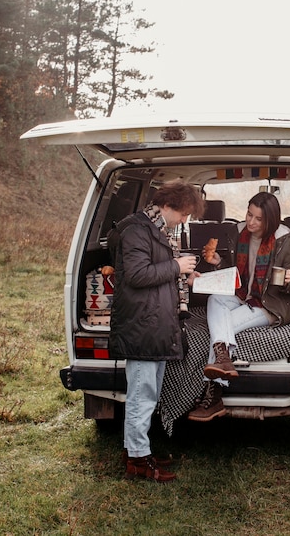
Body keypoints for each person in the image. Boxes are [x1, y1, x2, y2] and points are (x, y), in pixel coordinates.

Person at [109, 180, 204, 482]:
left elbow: (157, 270)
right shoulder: (138, 229)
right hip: (142, 325)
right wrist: (176, 267)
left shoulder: (156, 228)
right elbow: (137, 275)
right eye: (185, 214)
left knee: (146, 394)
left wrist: (183, 274)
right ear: (168, 205)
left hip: (153, 324)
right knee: (142, 396)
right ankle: (138, 461)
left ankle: (136, 451)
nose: (185, 220)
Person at [188, 191, 290, 422]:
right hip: (243, 295)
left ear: (270, 220)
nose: (251, 222)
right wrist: (218, 263)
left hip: (269, 303)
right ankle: (223, 359)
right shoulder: (239, 233)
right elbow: (236, 272)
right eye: (249, 214)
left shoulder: (285, 241)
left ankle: (214, 395)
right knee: (215, 299)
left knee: (224, 323)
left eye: (258, 219)